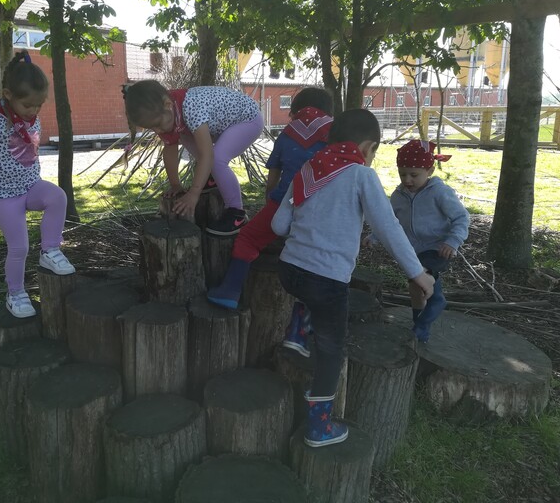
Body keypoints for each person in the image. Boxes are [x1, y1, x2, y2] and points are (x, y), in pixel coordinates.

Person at [271, 110, 435, 447]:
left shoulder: (308, 169)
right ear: (367, 146)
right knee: (332, 351)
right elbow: (387, 227)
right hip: (326, 282)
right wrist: (418, 274)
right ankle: (319, 427)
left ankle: (298, 330)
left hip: (288, 270)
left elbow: (278, 226)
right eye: (374, 153)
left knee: (307, 291)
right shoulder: (361, 175)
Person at [207, 87, 334, 357]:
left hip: (283, 204)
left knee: (249, 238)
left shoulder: (288, 134)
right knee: (315, 260)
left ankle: (229, 290)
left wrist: (271, 201)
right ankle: (309, 320)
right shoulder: (334, 135)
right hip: (320, 210)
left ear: (295, 110)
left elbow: (274, 175)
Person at [0, 50, 75, 319]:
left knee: (57, 196)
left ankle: (50, 249)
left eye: (38, 106)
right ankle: (16, 293)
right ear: (8, 95)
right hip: (5, 196)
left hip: (31, 186)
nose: (33, 111)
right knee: (19, 247)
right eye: (28, 106)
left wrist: (30, 111)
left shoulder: (30, 113)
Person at [123, 80, 264, 235]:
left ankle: (237, 213)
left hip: (248, 120)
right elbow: (170, 149)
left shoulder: (191, 108)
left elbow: (207, 154)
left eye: (158, 124)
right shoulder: (168, 113)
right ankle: (212, 178)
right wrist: (176, 184)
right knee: (184, 135)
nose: (158, 130)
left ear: (168, 105)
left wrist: (194, 193)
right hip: (223, 126)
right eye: (152, 128)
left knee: (216, 159)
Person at [364, 139, 469, 343]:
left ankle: (431, 310)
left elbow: (461, 217)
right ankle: (418, 327)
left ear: (429, 171)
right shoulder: (399, 195)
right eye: (403, 174)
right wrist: (375, 235)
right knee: (415, 288)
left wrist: (453, 240)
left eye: (414, 175)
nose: (408, 180)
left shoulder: (439, 192)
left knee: (423, 280)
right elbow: (389, 219)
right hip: (412, 251)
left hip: (437, 249)